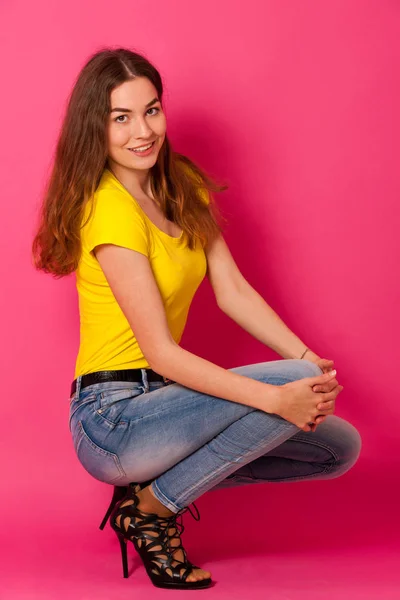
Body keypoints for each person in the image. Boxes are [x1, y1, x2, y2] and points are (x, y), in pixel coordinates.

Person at [32, 47, 361, 591]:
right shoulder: (107, 211)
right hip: (112, 421)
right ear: (97, 128)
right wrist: (280, 395)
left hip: (170, 406)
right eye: (122, 117)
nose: (143, 130)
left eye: (152, 110)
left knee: (337, 448)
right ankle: (153, 511)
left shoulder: (179, 182)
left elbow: (231, 291)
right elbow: (159, 352)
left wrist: (306, 361)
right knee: (289, 394)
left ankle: (152, 494)